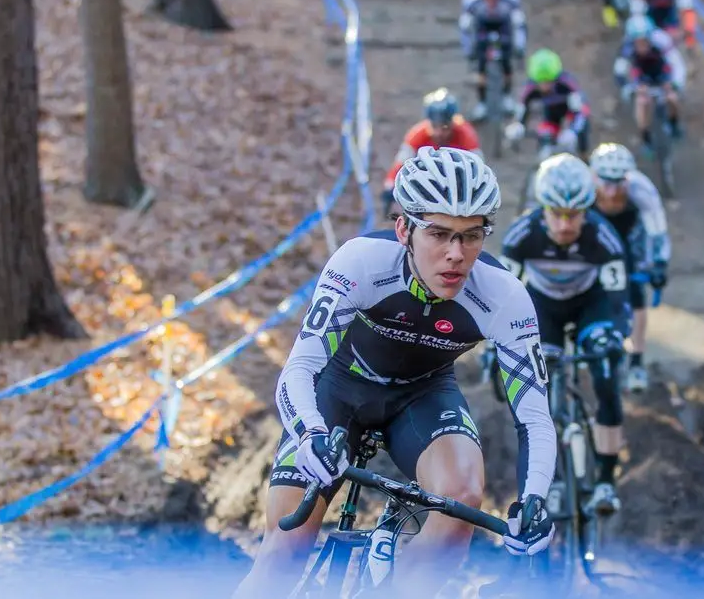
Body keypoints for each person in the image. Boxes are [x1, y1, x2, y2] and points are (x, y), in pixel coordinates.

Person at [232, 147, 557, 599]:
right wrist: (309, 435)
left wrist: (535, 499)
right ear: (404, 228)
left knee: (462, 496)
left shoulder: (504, 297)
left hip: (423, 396)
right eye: (439, 233)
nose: (456, 254)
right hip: (338, 390)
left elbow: (535, 417)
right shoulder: (360, 263)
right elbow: (301, 367)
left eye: (471, 235)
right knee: (284, 550)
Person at [483, 153, 630, 515]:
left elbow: (617, 301)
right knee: (536, 391)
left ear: (587, 210)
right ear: (542, 208)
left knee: (606, 374)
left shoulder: (604, 239)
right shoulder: (522, 236)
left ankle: (606, 482)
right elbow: (502, 299)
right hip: (541, 307)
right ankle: (541, 480)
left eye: (575, 215)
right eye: (557, 214)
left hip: (591, 305)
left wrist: (615, 340)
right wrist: (493, 348)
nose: (565, 225)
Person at [587, 143, 669, 392]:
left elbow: (658, 230)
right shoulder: (584, 188)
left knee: (636, 296)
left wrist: (660, 264)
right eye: (605, 182)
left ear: (628, 178)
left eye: (618, 182)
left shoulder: (641, 189)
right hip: (591, 238)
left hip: (626, 242)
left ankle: (637, 361)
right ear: (594, 177)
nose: (612, 191)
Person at [380, 88, 482, 216]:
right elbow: (400, 163)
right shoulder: (417, 134)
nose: (439, 133)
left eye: (444, 127)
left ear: (452, 123)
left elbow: (479, 169)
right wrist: (390, 187)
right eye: (434, 126)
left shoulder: (466, 134)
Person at [459, 0, 527, 122]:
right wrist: (469, 49)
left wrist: (519, 46)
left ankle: (507, 96)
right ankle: (482, 102)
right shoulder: (471, 0)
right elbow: (465, 27)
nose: (491, 1)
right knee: (480, 65)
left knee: (507, 62)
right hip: (482, 24)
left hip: (503, 24)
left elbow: (519, 25)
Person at [613, 14, 687, 150]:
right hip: (642, 79)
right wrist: (629, 87)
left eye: (645, 41)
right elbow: (619, 72)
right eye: (638, 43)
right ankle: (645, 136)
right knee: (642, 102)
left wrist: (675, 83)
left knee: (672, 98)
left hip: (662, 75)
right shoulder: (627, 47)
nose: (642, 46)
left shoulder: (662, 40)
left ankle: (674, 122)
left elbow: (677, 64)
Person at [505, 49, 591, 160]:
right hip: (551, 113)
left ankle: (584, 158)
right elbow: (522, 107)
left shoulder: (567, 84)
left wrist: (573, 131)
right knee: (545, 135)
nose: (545, 86)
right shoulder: (530, 87)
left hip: (570, 112)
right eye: (541, 82)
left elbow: (582, 111)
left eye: (549, 82)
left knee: (581, 134)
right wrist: (518, 124)